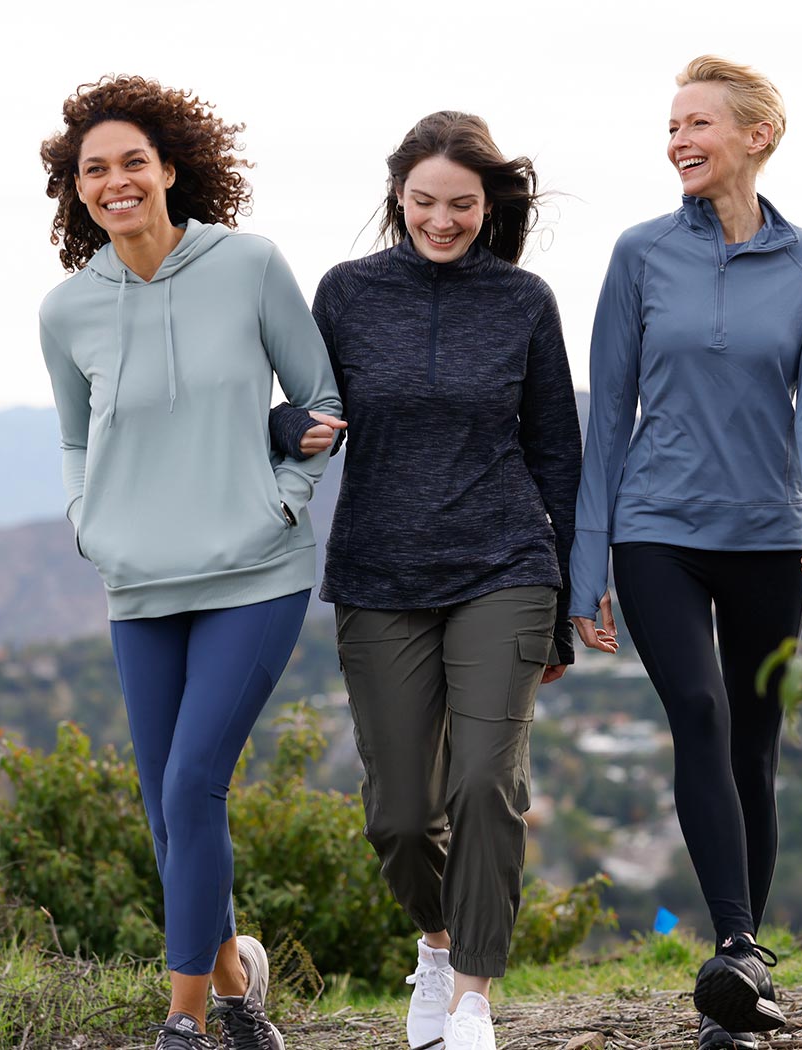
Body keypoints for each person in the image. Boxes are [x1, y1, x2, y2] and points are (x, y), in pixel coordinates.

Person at [37, 75, 340, 1050]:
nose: (116, 181)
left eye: (133, 162)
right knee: (166, 806)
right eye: (95, 169)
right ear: (76, 189)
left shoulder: (247, 265)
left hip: (256, 573)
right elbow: (76, 439)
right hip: (139, 581)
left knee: (192, 782)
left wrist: (282, 502)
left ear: (172, 169)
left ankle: (185, 1020)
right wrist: (87, 518)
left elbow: (323, 393)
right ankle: (240, 985)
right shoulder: (66, 310)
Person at [271, 111, 580, 1050]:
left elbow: (556, 455)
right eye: (423, 203)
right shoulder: (346, 294)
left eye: (462, 205)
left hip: (505, 568)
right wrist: (292, 432)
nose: (442, 221)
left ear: (489, 204)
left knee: (485, 783)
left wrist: (561, 607)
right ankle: (439, 948)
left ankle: (474, 1000)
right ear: (396, 198)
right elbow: (298, 407)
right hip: (381, 573)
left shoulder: (524, 301)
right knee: (403, 817)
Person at [568, 57, 802, 1050]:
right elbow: (606, 415)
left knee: (755, 745)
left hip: (770, 536)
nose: (678, 140)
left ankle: (745, 982)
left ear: (755, 137)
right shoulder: (641, 254)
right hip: (657, 529)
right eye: (672, 125)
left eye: (697, 123)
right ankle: (736, 945)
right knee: (698, 709)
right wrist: (586, 561)